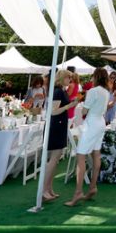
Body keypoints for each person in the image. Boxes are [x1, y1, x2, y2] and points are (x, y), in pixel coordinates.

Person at [65, 67, 109, 207]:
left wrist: (81, 103)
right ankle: (93, 187)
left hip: (92, 124)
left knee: (81, 156)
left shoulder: (93, 91)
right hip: (101, 123)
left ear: (96, 77)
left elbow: (84, 111)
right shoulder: (106, 92)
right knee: (96, 154)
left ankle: (78, 192)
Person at [41, 69, 80, 202]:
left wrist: (71, 103)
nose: (70, 80)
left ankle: (48, 188)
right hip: (56, 126)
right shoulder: (58, 91)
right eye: (68, 77)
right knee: (53, 160)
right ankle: (44, 190)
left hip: (60, 124)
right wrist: (70, 105)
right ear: (62, 78)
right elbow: (53, 111)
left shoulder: (61, 90)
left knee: (55, 159)